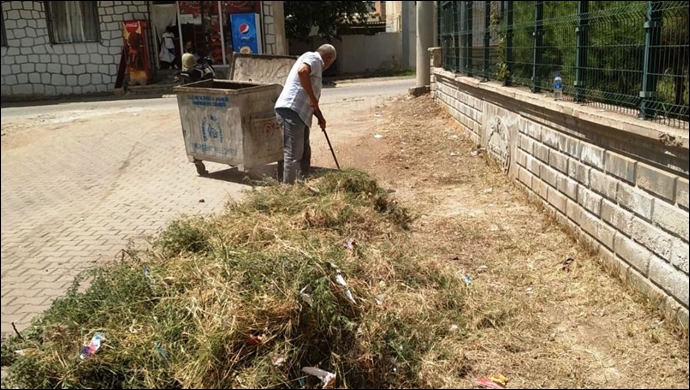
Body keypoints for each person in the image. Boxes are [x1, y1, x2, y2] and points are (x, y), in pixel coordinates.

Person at [275, 44, 337, 185]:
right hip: (291, 110)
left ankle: (300, 185)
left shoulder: (315, 65)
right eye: (330, 63)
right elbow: (302, 72)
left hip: (299, 114)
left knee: (303, 153)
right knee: (293, 155)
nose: (328, 66)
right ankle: (289, 192)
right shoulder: (314, 58)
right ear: (327, 59)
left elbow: (311, 102)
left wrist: (320, 118)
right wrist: (313, 97)